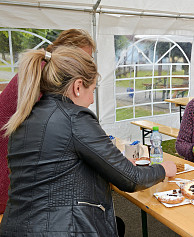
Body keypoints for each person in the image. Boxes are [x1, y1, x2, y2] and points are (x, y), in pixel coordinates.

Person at [0, 46, 176, 236]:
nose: (92, 100)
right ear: (77, 87)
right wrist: (163, 169)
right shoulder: (74, 117)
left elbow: (55, 172)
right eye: (92, 91)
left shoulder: (23, 119)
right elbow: (131, 179)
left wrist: (116, 165)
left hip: (16, 226)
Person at [0, 29, 95, 217]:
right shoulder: (47, 76)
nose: (88, 66)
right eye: (85, 59)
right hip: (11, 183)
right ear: (68, 54)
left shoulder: (41, 69)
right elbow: (60, 135)